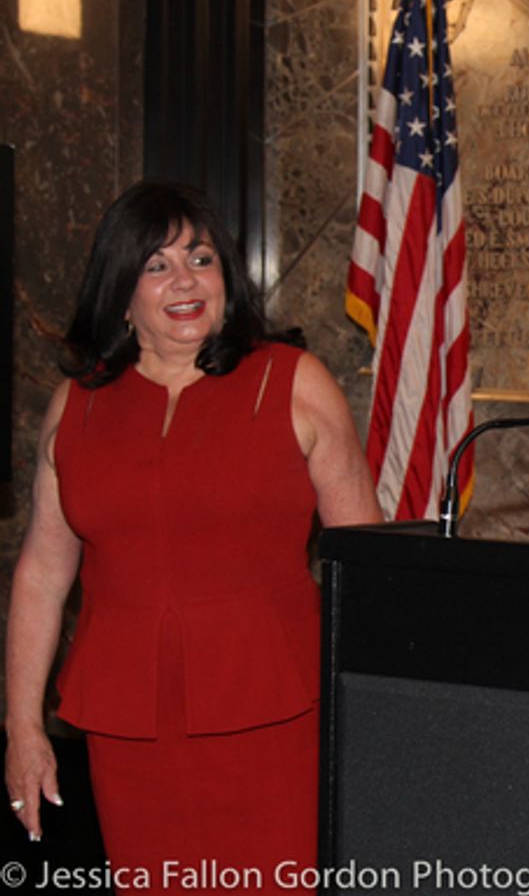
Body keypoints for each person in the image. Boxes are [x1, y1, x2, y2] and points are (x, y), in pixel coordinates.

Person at [4, 181, 381, 891]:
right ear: (121, 292)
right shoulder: (74, 408)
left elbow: (368, 566)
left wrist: (382, 723)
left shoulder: (293, 382)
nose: (185, 280)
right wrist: (21, 727)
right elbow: (41, 576)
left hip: (274, 724)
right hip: (131, 737)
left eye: (201, 258)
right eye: (157, 264)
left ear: (227, 278)